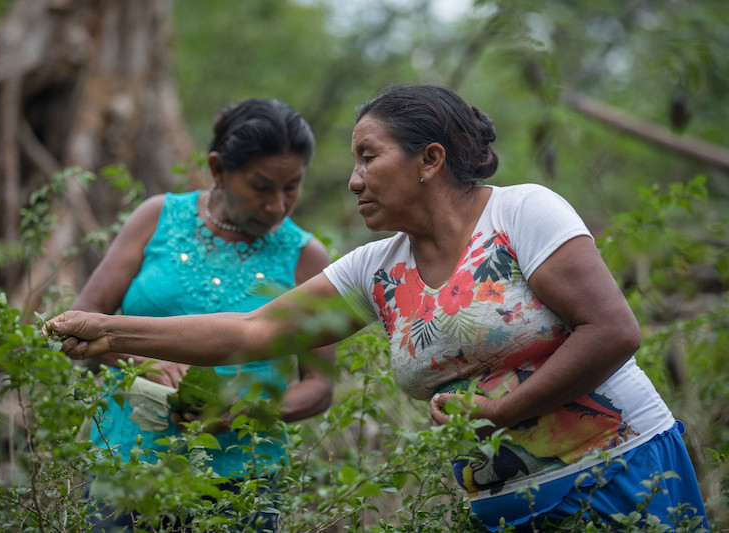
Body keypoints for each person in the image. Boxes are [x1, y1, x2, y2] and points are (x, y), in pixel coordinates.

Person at [48, 85, 710, 531]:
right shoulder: (374, 269)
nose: (355, 178)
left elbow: (613, 328)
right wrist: (109, 330)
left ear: (429, 160)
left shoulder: (521, 212)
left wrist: (504, 411)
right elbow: (250, 331)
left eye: (368, 156)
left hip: (622, 472)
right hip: (504, 505)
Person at [71, 98, 335, 531]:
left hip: (242, 480)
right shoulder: (157, 218)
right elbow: (82, 322)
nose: (277, 205)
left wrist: (247, 413)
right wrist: (141, 361)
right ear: (218, 170)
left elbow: (319, 387)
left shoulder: (306, 257)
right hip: (127, 466)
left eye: (292, 187)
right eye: (261, 186)